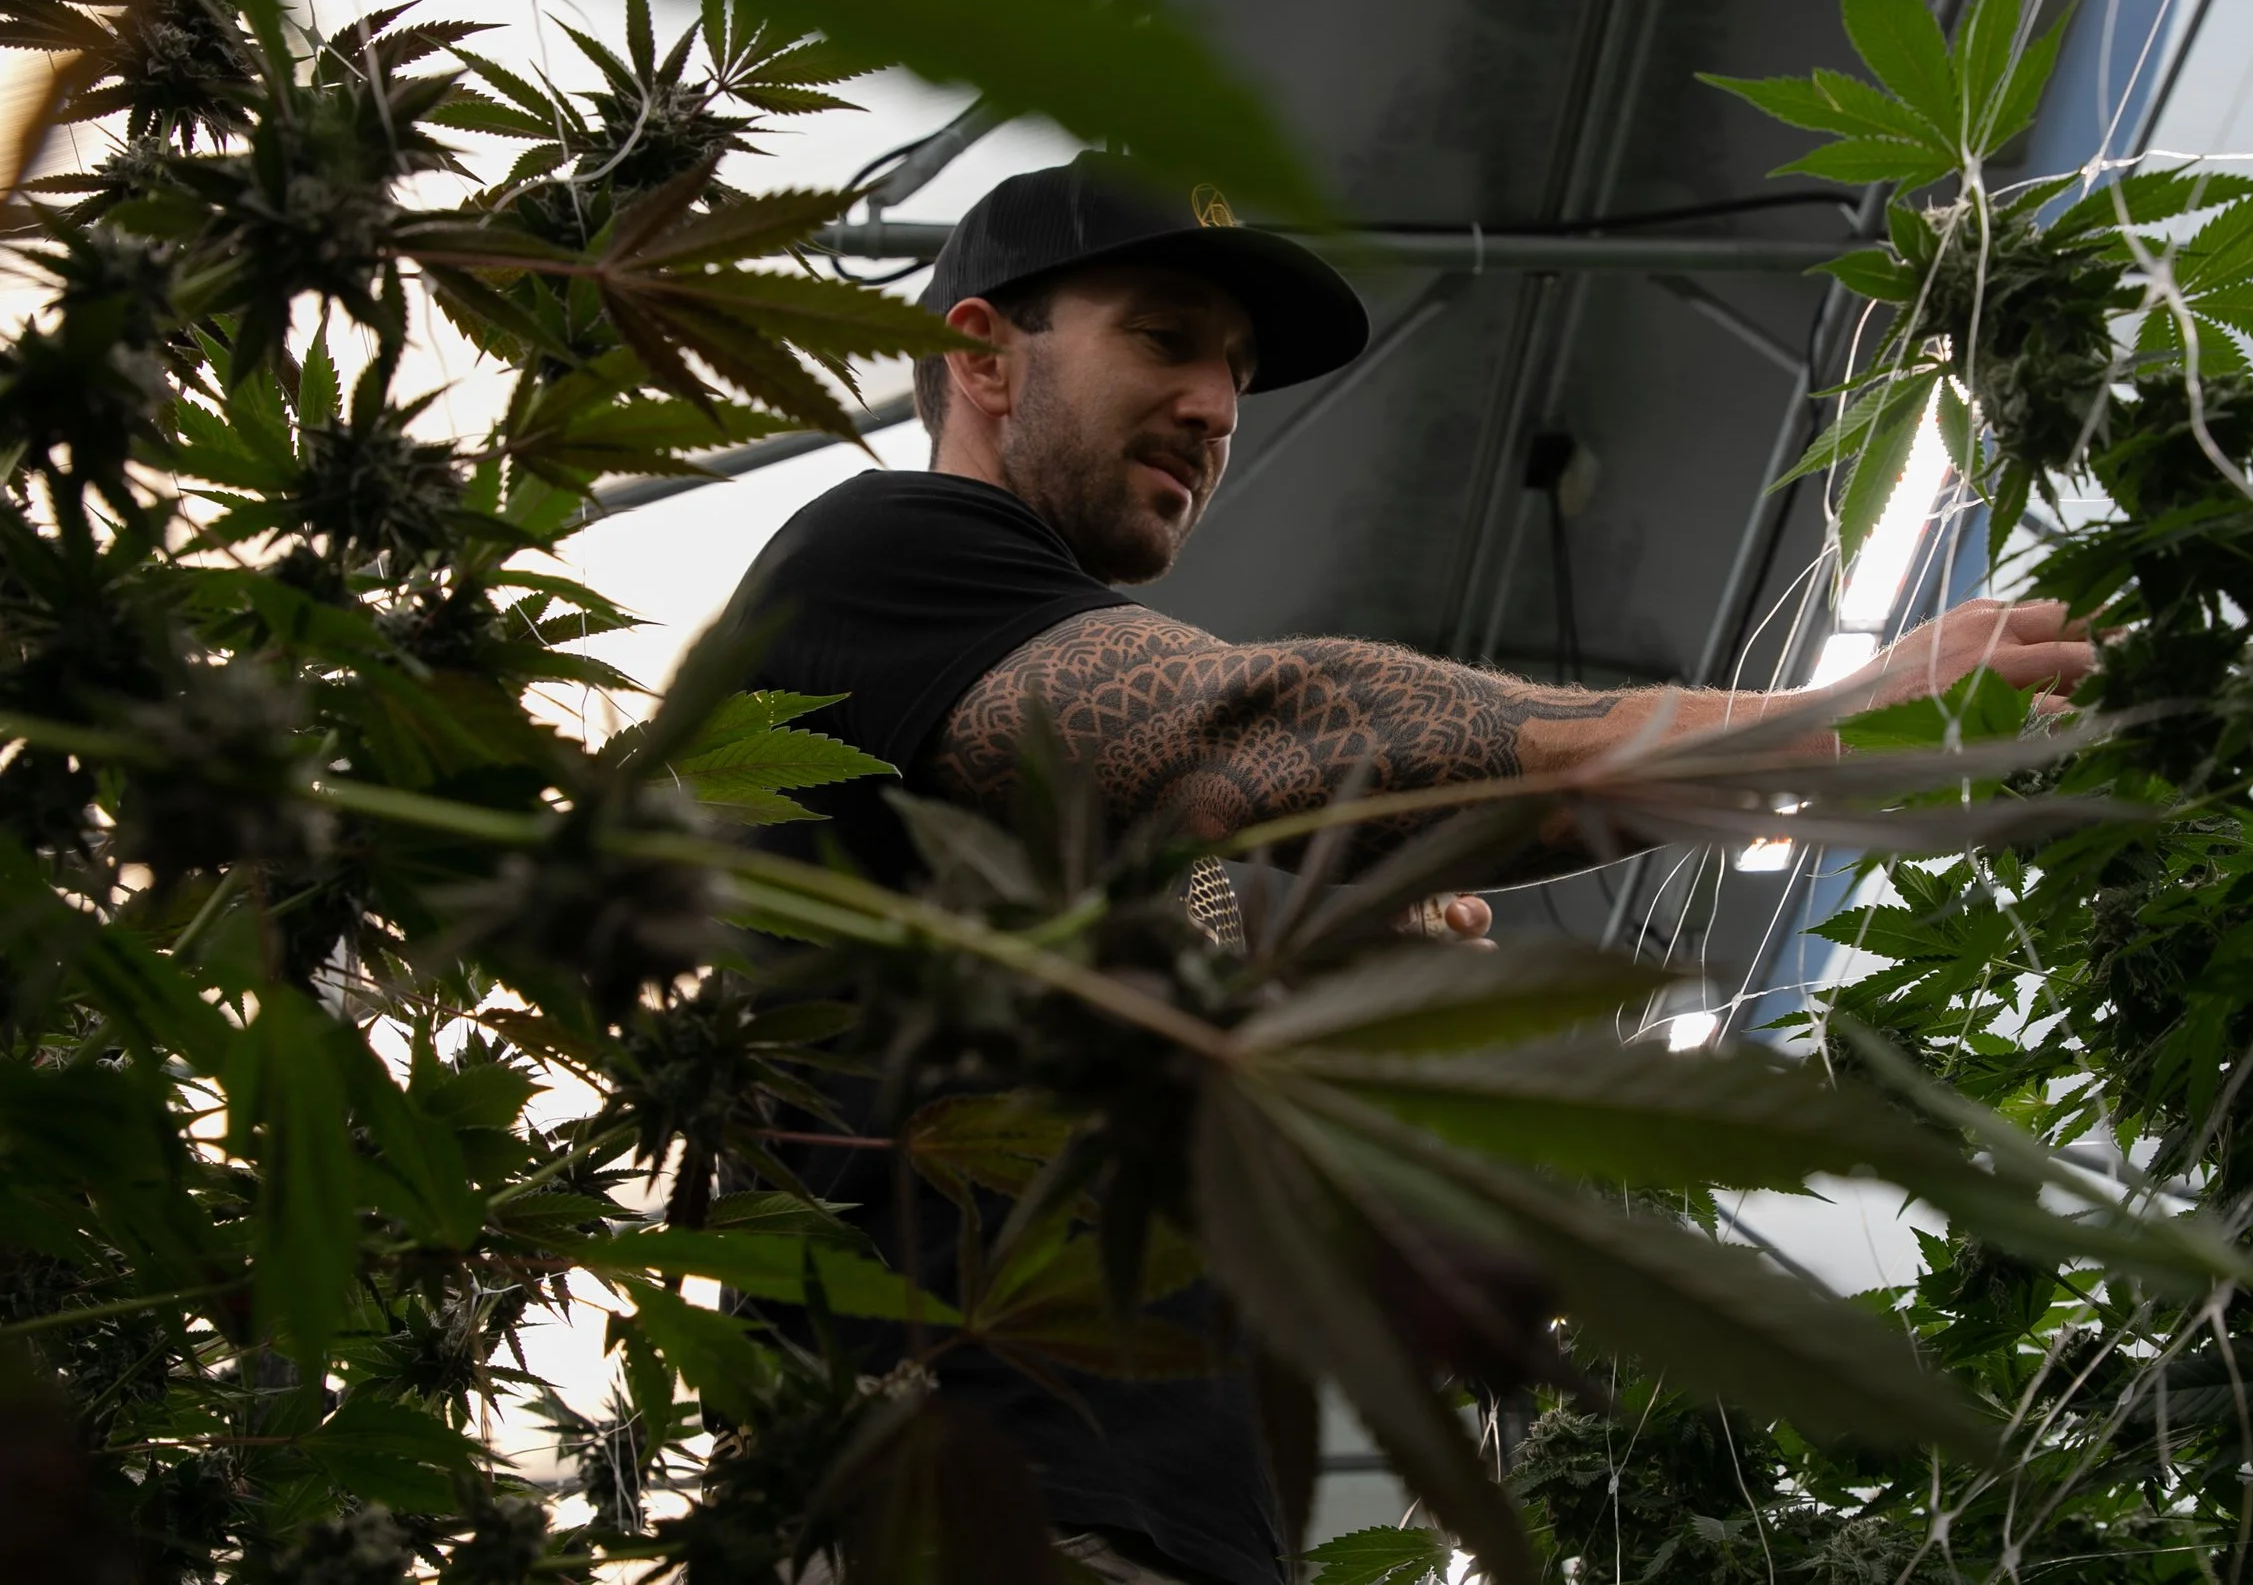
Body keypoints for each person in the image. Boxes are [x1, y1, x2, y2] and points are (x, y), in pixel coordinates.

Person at [723, 152, 2096, 1585]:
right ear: (982, 352)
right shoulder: (882, 553)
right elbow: (1256, 734)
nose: (1215, 407)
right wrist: (1812, 730)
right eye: (1163, 335)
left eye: (1240, 372)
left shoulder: (1048, 802)